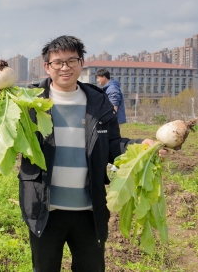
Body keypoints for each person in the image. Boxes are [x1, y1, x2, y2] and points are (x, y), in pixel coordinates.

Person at [18, 35, 162, 272]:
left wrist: (140, 147)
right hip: (44, 208)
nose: (65, 67)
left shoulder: (98, 101)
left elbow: (113, 144)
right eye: (58, 62)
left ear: (81, 63)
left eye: (71, 60)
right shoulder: (29, 103)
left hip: (88, 210)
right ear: (47, 66)